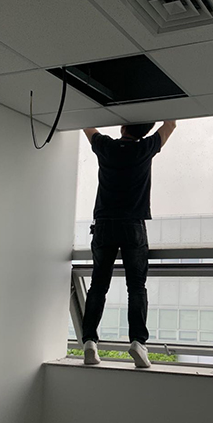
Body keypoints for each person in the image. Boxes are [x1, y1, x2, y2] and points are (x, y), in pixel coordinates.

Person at [81, 120, 177, 367]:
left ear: (123, 128)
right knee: (136, 286)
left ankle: (89, 341)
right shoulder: (145, 148)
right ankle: (137, 342)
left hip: (104, 224)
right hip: (133, 224)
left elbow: (87, 126)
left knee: (98, 285)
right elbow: (171, 124)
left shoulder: (106, 146)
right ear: (145, 131)